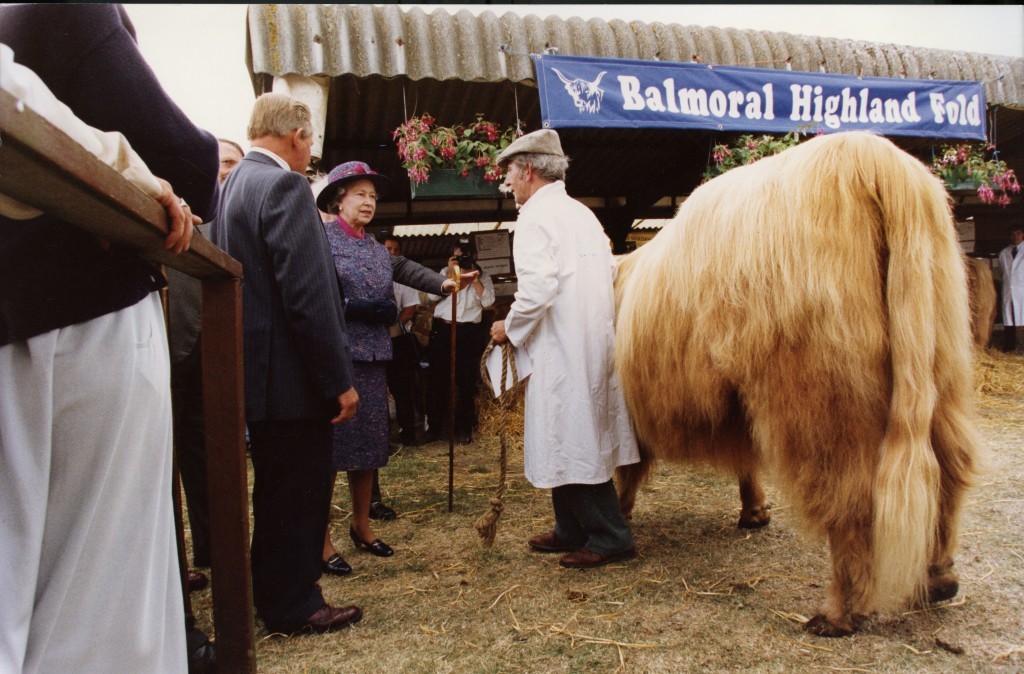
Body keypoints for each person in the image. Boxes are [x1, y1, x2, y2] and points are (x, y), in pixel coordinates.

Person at [0, 5, 217, 671]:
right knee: (101, 590)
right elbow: (182, 155)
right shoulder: (58, 11)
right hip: (70, 313)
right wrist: (145, 181)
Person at [209, 92, 362, 635]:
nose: (309, 153)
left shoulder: (232, 186)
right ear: (296, 136)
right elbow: (308, 294)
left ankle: (274, 591)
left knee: (274, 491)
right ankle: (296, 604)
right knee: (298, 492)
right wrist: (337, 380)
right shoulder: (283, 185)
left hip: (260, 374)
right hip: (293, 381)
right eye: (310, 142)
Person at [489, 129, 640, 569]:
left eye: (510, 176)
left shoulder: (535, 218)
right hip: (592, 341)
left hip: (563, 348)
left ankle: (611, 536)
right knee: (570, 432)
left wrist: (508, 328)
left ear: (529, 171)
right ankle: (570, 528)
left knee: (572, 436)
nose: (508, 185)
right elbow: (609, 274)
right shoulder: (581, 214)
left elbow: (537, 291)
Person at [315, 162, 475, 571]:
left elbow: (406, 270)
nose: (368, 202)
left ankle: (362, 526)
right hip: (336, 357)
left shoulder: (375, 248)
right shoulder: (320, 241)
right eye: (359, 195)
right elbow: (315, 297)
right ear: (337, 199)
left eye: (372, 196)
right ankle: (321, 540)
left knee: (368, 448)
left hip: (374, 358)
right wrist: (361, 309)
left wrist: (445, 283)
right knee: (331, 453)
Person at [168, 139, 245, 585]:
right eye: (216, 165)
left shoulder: (241, 210)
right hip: (173, 343)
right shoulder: (181, 206)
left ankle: (213, 552)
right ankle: (174, 563)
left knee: (210, 455)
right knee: (166, 459)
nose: (222, 172)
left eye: (231, 163)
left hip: (219, 346)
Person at [423, 242, 496, 445]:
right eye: (458, 256)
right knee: (438, 379)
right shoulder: (444, 272)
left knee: (467, 381)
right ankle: (435, 428)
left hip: (469, 332)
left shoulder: (483, 276)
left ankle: (464, 428)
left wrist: (474, 278)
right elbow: (430, 296)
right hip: (444, 329)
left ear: (474, 256)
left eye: (465, 256)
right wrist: (448, 274)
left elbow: (488, 302)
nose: (462, 260)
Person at [382, 234, 428, 447]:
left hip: (397, 340)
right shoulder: (370, 274)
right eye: (387, 249)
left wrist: (392, 324)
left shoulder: (404, 278)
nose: (391, 253)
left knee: (403, 390)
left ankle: (408, 433)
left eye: (395, 250)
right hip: (373, 342)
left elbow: (410, 308)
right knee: (376, 392)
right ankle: (381, 438)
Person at [998, 227, 1024, 352]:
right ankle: (1009, 347)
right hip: (1008, 290)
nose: (1015, 237)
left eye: (1018, 233)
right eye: (1012, 234)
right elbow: (1003, 272)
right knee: (1009, 319)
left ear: (1023, 234)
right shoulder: (1004, 253)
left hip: (1022, 290)